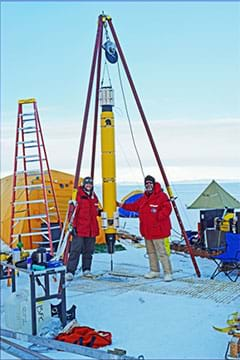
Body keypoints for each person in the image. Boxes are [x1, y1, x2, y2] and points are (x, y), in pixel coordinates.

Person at [118, 175, 173, 282]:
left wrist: (157, 217)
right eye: (146, 184)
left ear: (154, 184)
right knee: (151, 252)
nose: (148, 185)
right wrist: (122, 205)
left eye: (150, 183)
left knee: (162, 252)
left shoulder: (161, 196)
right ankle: (154, 271)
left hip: (158, 230)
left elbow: (167, 209)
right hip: (147, 230)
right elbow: (134, 206)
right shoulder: (143, 198)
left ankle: (168, 272)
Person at [65, 176, 100, 281]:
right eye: (87, 184)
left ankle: (86, 269)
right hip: (80, 228)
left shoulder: (94, 196)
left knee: (89, 251)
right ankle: (70, 271)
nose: (88, 185)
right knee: (75, 250)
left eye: (90, 184)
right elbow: (72, 213)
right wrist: (73, 226)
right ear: (83, 184)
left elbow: (96, 210)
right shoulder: (78, 196)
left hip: (91, 229)